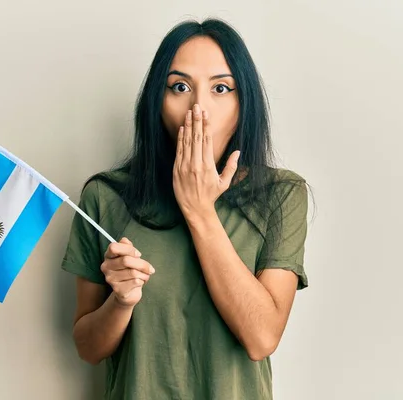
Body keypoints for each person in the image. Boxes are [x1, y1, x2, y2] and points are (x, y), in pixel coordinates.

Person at [61, 17, 312, 400]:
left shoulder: (281, 194)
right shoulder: (106, 196)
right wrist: (121, 302)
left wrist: (199, 210)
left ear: (244, 104)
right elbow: (88, 347)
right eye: (179, 87)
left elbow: (262, 337)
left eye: (221, 88)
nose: (199, 109)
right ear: (156, 103)